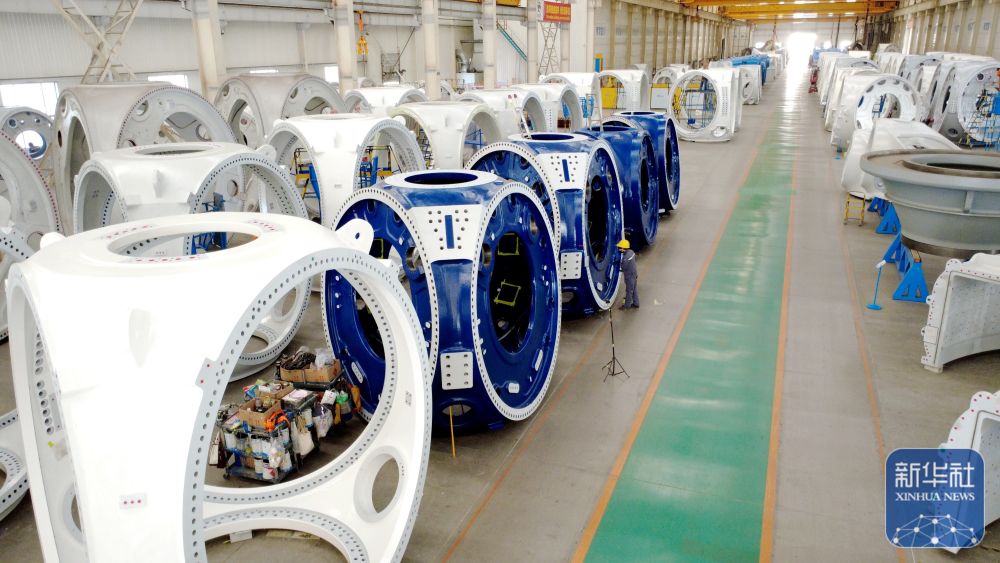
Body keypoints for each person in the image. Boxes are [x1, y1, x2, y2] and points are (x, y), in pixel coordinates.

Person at [618, 239, 639, 310]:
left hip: (629, 276)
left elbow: (623, 267)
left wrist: (619, 266)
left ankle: (627, 306)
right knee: (634, 289)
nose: (619, 249)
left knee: (629, 291)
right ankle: (636, 303)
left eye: (620, 248)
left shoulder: (626, 257)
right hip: (634, 274)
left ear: (623, 248)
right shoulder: (631, 252)